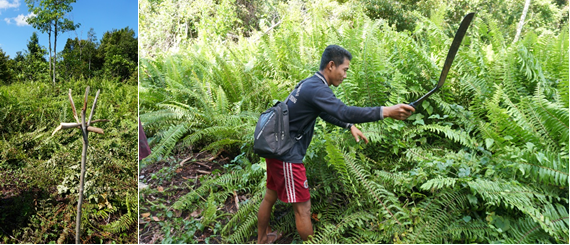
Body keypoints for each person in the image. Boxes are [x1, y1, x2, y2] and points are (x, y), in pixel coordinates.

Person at [256, 45, 415, 243]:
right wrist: (386, 111)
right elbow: (344, 110)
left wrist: (349, 126)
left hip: (276, 148)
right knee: (303, 210)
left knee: (270, 196)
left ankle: (262, 237)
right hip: (287, 156)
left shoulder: (310, 83)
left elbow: (324, 112)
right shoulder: (317, 88)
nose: (345, 75)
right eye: (345, 69)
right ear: (332, 65)